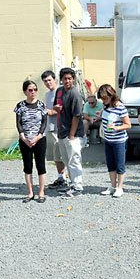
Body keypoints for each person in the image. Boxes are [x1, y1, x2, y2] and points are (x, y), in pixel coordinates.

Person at [14, 80, 48, 203]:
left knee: (41, 166)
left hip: (39, 139)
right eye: (30, 90)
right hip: (25, 140)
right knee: (27, 166)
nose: (33, 92)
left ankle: (41, 192)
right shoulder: (20, 106)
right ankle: (30, 192)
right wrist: (23, 137)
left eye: (35, 89)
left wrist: (38, 137)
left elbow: (44, 122)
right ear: (25, 92)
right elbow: (18, 123)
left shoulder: (42, 105)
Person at [55, 67, 85, 198]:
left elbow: (77, 115)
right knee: (67, 160)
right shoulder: (59, 91)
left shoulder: (75, 94)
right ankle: (72, 184)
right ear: (61, 80)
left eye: (69, 78)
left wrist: (72, 135)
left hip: (73, 133)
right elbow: (57, 107)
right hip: (61, 131)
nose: (67, 81)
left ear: (73, 79)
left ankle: (78, 186)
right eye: (65, 78)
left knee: (74, 160)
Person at [98, 84, 131, 198]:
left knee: (120, 165)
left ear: (111, 95)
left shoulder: (120, 107)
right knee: (110, 164)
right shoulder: (106, 107)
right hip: (108, 140)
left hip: (119, 141)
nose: (104, 100)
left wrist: (117, 128)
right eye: (102, 99)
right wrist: (99, 116)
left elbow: (128, 124)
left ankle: (120, 187)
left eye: (105, 98)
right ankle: (112, 186)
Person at [41, 70, 67, 190]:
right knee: (55, 155)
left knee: (62, 154)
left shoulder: (61, 91)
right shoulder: (47, 95)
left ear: (55, 80)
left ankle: (67, 178)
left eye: (49, 80)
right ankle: (60, 177)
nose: (48, 83)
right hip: (50, 127)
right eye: (45, 81)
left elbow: (61, 108)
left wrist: (50, 111)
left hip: (60, 127)